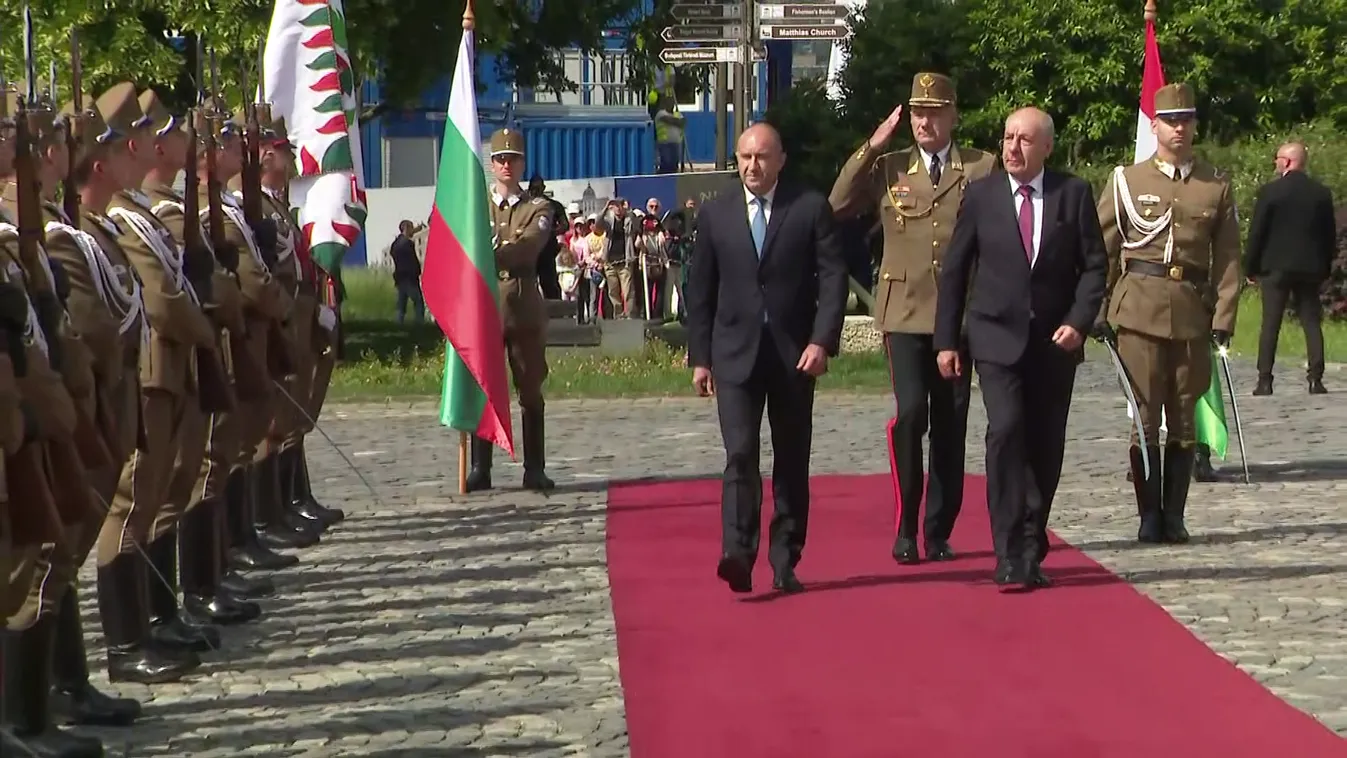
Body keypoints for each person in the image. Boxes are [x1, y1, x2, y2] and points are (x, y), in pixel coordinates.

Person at [935, 108, 1107, 591]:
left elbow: (1095, 266)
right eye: (1008, 137)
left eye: (1024, 139)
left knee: (1045, 443)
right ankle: (1008, 550)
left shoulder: (1072, 194)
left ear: (1046, 147)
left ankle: (1032, 547)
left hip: (1054, 342)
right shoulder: (982, 195)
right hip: (994, 337)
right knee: (1006, 429)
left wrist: (1078, 321)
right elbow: (955, 270)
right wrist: (946, 340)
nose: (1012, 147)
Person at [829, 73, 997, 564]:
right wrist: (872, 145)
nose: (924, 121)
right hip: (904, 311)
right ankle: (905, 524)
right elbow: (838, 203)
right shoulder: (890, 167)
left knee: (950, 423)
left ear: (953, 116)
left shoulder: (980, 167)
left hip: (958, 315)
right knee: (910, 415)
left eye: (934, 112)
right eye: (918, 113)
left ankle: (937, 529)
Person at [685, 122, 848, 595]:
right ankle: (737, 552)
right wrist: (701, 357)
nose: (752, 166)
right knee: (739, 454)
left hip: (794, 354)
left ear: (780, 160)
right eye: (744, 158)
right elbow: (701, 290)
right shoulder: (716, 214)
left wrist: (822, 341)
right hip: (734, 354)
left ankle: (785, 557)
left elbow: (833, 278)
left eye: (761, 157)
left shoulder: (808, 207)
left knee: (791, 458)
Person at [1095, 83, 1242, 544]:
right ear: (1154, 126)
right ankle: (1148, 516)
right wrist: (1096, 307)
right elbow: (1102, 249)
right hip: (1139, 308)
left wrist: (1224, 318)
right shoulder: (1127, 181)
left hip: (1192, 311)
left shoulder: (1214, 185)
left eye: (1187, 120)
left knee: (1183, 415)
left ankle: (1175, 515)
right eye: (1171, 121)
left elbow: (1228, 257)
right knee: (1144, 416)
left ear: (1195, 125)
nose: (1179, 128)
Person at [463, 128, 555, 493]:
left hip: (521, 306)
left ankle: (535, 467)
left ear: (521, 164)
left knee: (529, 387)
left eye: (512, 159)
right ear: (492, 163)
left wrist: (486, 252)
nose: (506, 165)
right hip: (483, 305)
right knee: (483, 387)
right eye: (500, 159)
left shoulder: (537, 207)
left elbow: (528, 246)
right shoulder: (476, 204)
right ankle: (479, 467)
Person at [1244, 141, 1336, 396]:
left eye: (1277, 158)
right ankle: (1316, 379)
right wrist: (1324, 266)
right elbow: (1329, 234)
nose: (1275, 163)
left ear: (1286, 161)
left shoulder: (1271, 192)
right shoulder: (1321, 193)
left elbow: (1258, 232)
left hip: (1275, 266)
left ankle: (1265, 380)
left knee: (1270, 323)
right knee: (1311, 322)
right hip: (1309, 267)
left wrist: (1250, 266)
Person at [390, 219, 424, 324]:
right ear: (406, 228)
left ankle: (399, 326)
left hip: (400, 278)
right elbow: (412, 261)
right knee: (418, 302)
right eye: (411, 227)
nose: (412, 230)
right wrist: (417, 270)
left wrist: (416, 230)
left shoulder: (395, 244)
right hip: (410, 278)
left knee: (401, 305)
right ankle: (419, 326)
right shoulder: (407, 244)